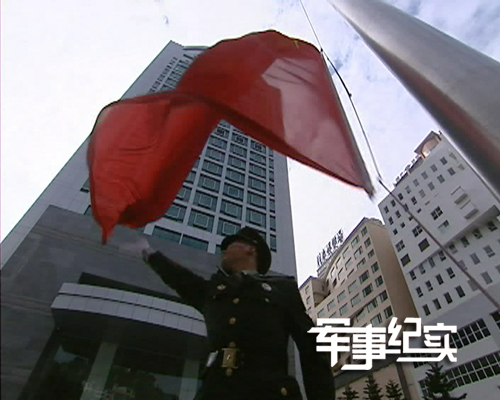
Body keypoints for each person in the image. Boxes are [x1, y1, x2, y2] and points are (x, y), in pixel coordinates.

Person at [139, 227, 335, 400]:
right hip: (216, 393)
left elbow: (312, 349)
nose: (223, 250)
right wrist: (148, 253)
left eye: (230, 244)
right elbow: (180, 278)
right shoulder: (213, 290)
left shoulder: (282, 289)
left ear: (250, 249)